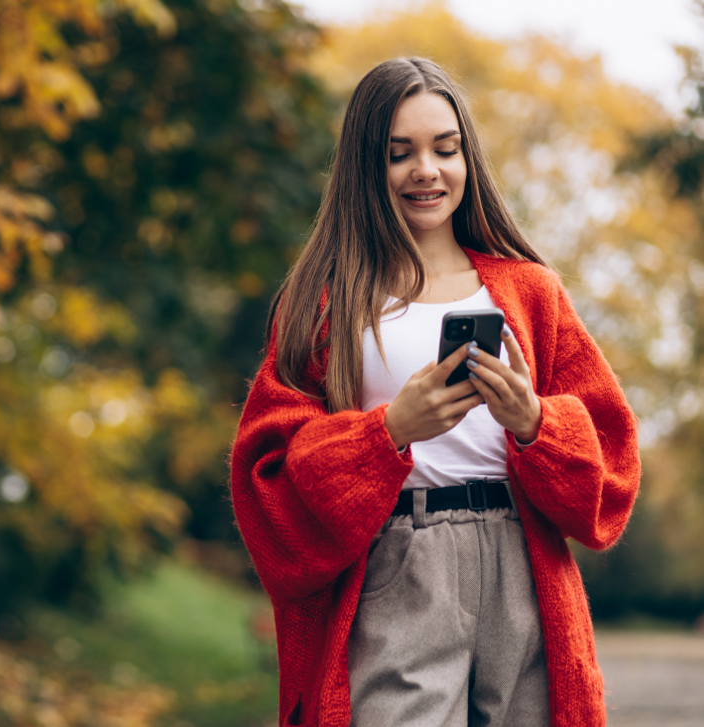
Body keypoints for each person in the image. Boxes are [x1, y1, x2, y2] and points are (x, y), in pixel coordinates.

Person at [229, 57, 640, 727]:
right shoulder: (326, 304)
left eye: (445, 149)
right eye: (401, 153)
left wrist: (535, 422)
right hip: (399, 563)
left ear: (467, 158)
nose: (427, 169)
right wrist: (387, 432)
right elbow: (267, 476)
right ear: (368, 167)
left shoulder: (531, 291)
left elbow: (613, 463)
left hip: (523, 563)